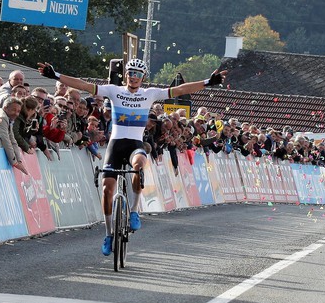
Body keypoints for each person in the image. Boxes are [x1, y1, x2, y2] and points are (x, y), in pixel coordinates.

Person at [38, 58, 226, 256]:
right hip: (115, 145)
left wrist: (207, 82)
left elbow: (179, 90)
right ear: (126, 75)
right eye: (131, 73)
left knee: (138, 165)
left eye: (138, 74)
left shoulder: (150, 94)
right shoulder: (114, 91)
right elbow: (84, 85)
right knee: (107, 188)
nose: (134, 77)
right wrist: (56, 75)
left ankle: (134, 211)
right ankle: (109, 234)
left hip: (135, 144)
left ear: (143, 78)